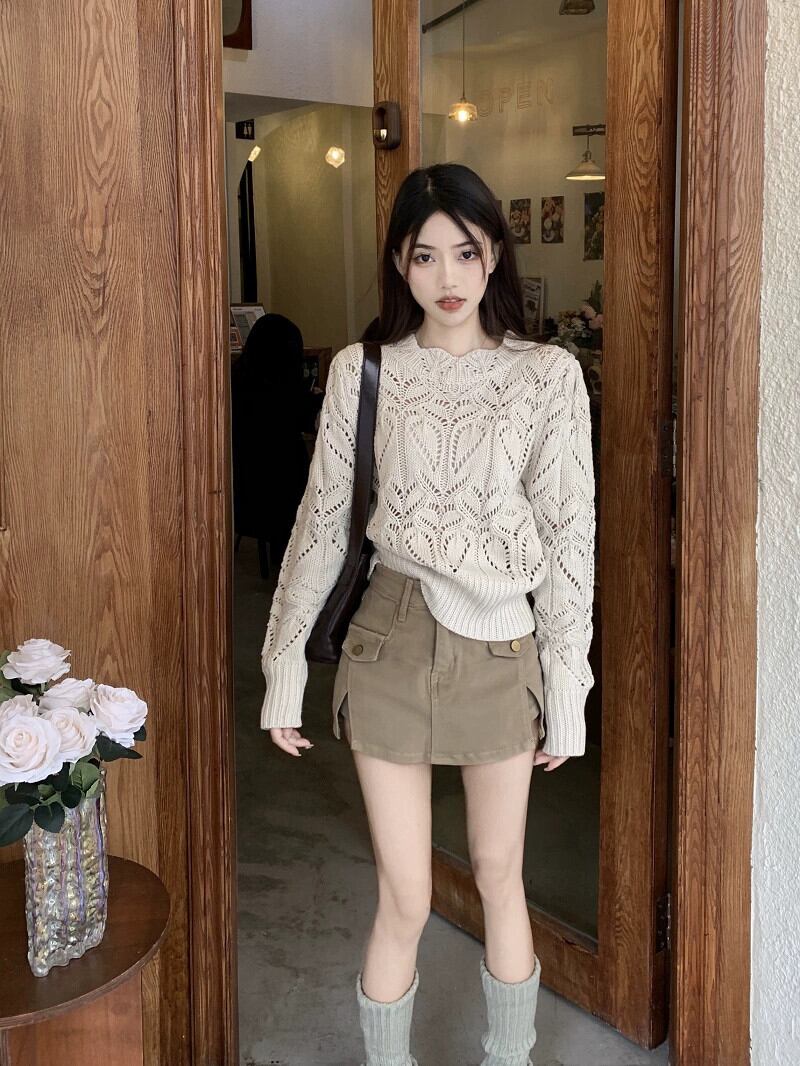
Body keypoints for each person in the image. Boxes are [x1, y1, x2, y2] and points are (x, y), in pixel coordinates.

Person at [258, 163, 596, 1066]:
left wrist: (568, 690)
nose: (447, 277)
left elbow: (570, 542)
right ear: (399, 265)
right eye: (423, 256)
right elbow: (322, 522)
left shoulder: (547, 378)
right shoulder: (363, 372)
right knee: (405, 894)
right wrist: (284, 667)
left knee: (499, 875)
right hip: (390, 638)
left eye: (465, 252)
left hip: (502, 643)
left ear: (494, 256)